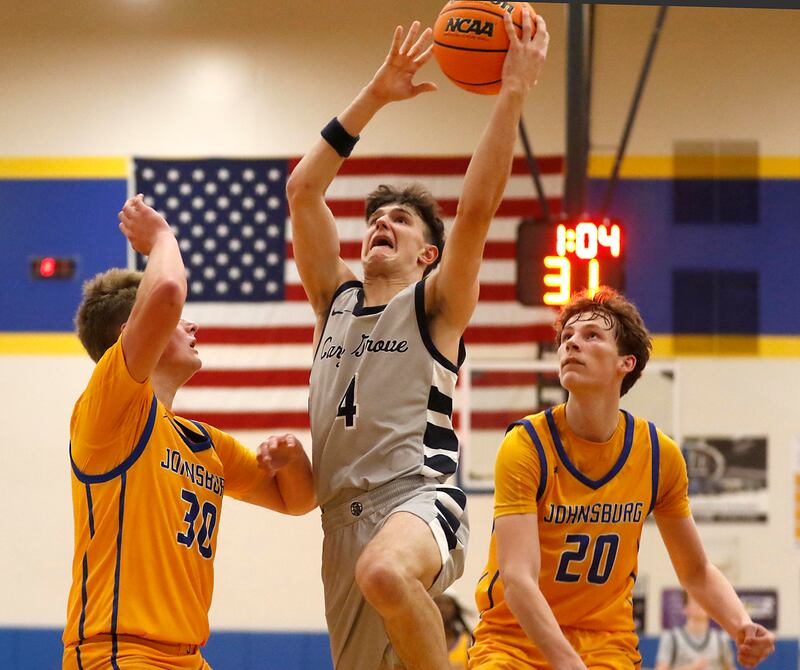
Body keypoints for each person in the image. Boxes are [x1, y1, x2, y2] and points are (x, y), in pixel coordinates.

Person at [286, 7, 549, 670]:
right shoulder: (335, 301)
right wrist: (376, 92)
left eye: (401, 220)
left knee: (385, 573)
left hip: (418, 496)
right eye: (375, 218)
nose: (382, 224)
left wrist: (512, 90)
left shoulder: (434, 306)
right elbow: (303, 189)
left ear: (428, 253)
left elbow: (478, 211)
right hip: (339, 523)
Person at [62, 195, 316, 669]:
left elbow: (295, 501)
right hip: (119, 653)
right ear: (133, 332)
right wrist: (162, 237)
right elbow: (165, 296)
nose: (191, 322)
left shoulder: (203, 443)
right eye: (179, 323)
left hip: (189, 656)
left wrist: (294, 459)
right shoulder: (108, 411)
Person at [469, 288, 775, 670]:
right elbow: (517, 579)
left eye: (591, 335)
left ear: (625, 362)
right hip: (513, 639)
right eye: (567, 337)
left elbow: (695, 571)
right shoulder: (526, 444)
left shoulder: (659, 455)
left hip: (605, 644)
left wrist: (741, 625)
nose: (572, 344)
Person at [655, 592, 736, 670]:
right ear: (685, 608)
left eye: (705, 600)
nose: (701, 604)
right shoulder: (671, 638)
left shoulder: (721, 639)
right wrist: (691, 668)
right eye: (696, 599)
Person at [435, 592, 472, 670]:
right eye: (438, 602)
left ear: (456, 609)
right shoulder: (424, 642)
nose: (442, 608)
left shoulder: (468, 642)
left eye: (447, 603)